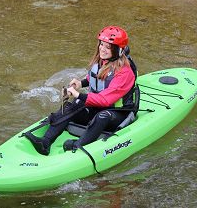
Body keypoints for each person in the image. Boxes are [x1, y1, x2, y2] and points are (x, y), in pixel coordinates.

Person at [24, 26, 137, 155]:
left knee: (102, 116)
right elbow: (95, 78)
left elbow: (105, 100)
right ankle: (45, 142)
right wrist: (80, 83)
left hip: (117, 114)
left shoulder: (125, 73)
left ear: (118, 50)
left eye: (108, 47)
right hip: (98, 107)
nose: (102, 49)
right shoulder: (103, 61)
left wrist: (78, 94)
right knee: (73, 105)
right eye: (101, 44)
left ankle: (78, 147)